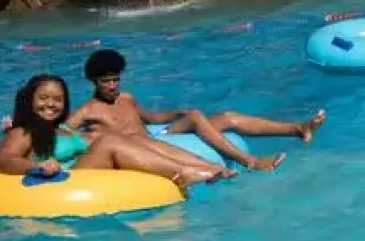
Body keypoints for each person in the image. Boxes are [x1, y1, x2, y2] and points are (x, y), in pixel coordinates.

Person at [67, 49, 327, 173]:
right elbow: (62, 133)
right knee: (195, 117)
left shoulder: (127, 97)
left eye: (115, 79)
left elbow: (151, 118)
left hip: (158, 137)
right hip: (138, 148)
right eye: (106, 81)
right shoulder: (88, 110)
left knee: (225, 117)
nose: (112, 86)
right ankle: (251, 162)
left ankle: (297, 128)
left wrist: (174, 114)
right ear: (94, 81)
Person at [0, 74, 233, 188]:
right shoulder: (24, 131)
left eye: (57, 99)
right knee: (109, 142)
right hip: (65, 180)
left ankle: (205, 166)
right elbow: (4, 159)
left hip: (86, 170)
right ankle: (183, 174)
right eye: (43, 98)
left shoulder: (63, 129)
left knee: (129, 137)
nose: (51, 104)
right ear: (30, 100)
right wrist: (37, 167)